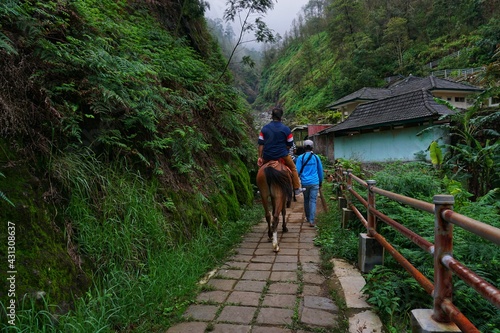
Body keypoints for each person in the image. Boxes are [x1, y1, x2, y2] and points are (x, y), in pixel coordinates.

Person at [257, 107, 302, 196]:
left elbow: (261, 145)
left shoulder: (264, 129)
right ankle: (296, 188)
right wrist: (284, 149)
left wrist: (260, 157)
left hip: (267, 156)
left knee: (260, 170)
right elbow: (290, 144)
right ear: (281, 116)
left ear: (272, 116)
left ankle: (260, 189)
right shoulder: (286, 129)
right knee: (293, 168)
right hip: (283, 155)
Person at [295, 139, 324, 227]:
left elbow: (297, 171)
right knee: (313, 201)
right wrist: (320, 181)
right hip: (315, 182)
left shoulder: (300, 158)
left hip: (305, 183)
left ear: (304, 147)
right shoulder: (316, 157)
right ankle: (312, 220)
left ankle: (307, 217)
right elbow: (320, 171)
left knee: (306, 200)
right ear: (312, 147)